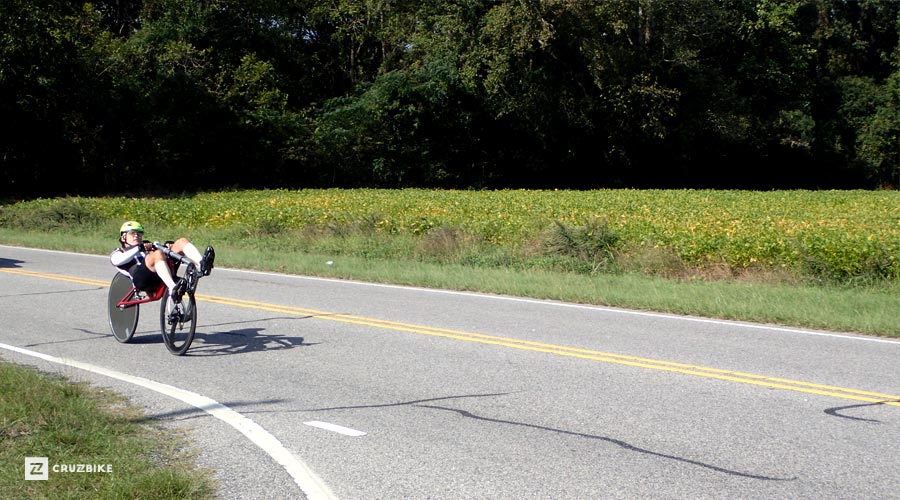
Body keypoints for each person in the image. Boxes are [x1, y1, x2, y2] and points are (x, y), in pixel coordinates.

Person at [109, 221, 214, 297]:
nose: (137, 236)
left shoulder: (146, 246)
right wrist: (139, 248)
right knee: (157, 254)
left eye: (139, 233)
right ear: (123, 237)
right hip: (142, 280)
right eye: (132, 233)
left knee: (181, 241)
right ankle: (172, 288)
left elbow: (159, 255)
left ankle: (202, 265)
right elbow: (117, 261)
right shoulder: (118, 252)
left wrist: (166, 247)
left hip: (161, 272)